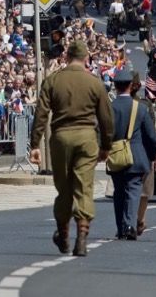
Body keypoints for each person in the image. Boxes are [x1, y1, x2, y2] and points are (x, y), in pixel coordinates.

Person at [29, 39, 113, 258]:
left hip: (61, 137)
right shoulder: (95, 83)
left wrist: (35, 144)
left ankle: (64, 235)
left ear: (66, 58)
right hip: (87, 137)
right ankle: (82, 238)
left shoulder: (53, 80)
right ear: (86, 59)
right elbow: (106, 118)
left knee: (64, 188)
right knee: (84, 187)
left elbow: (41, 114)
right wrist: (106, 146)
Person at [107, 65, 156, 241]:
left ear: (115, 86)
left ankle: (120, 227)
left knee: (119, 192)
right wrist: (155, 154)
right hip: (137, 157)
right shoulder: (141, 108)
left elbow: (103, 132)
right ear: (130, 85)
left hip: (116, 155)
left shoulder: (109, 108)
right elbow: (150, 135)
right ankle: (130, 224)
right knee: (133, 191)